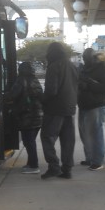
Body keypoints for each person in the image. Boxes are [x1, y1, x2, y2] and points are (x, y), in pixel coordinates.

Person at [40, 42, 79, 179]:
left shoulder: (54, 66)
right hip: (69, 108)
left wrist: (42, 99)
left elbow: (51, 90)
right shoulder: (72, 66)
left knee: (47, 137)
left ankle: (54, 166)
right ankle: (67, 169)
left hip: (55, 109)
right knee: (68, 140)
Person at [77, 48, 105, 171]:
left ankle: (98, 161)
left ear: (93, 57)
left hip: (98, 105)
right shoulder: (83, 69)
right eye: (83, 57)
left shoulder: (103, 68)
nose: (84, 59)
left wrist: (88, 85)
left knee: (96, 135)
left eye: (86, 57)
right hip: (83, 105)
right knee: (85, 134)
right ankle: (90, 158)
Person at [7, 61, 44, 173]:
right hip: (38, 115)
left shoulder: (21, 80)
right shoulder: (35, 80)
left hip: (27, 116)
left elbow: (12, 95)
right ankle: (30, 163)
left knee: (28, 142)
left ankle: (34, 166)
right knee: (30, 141)